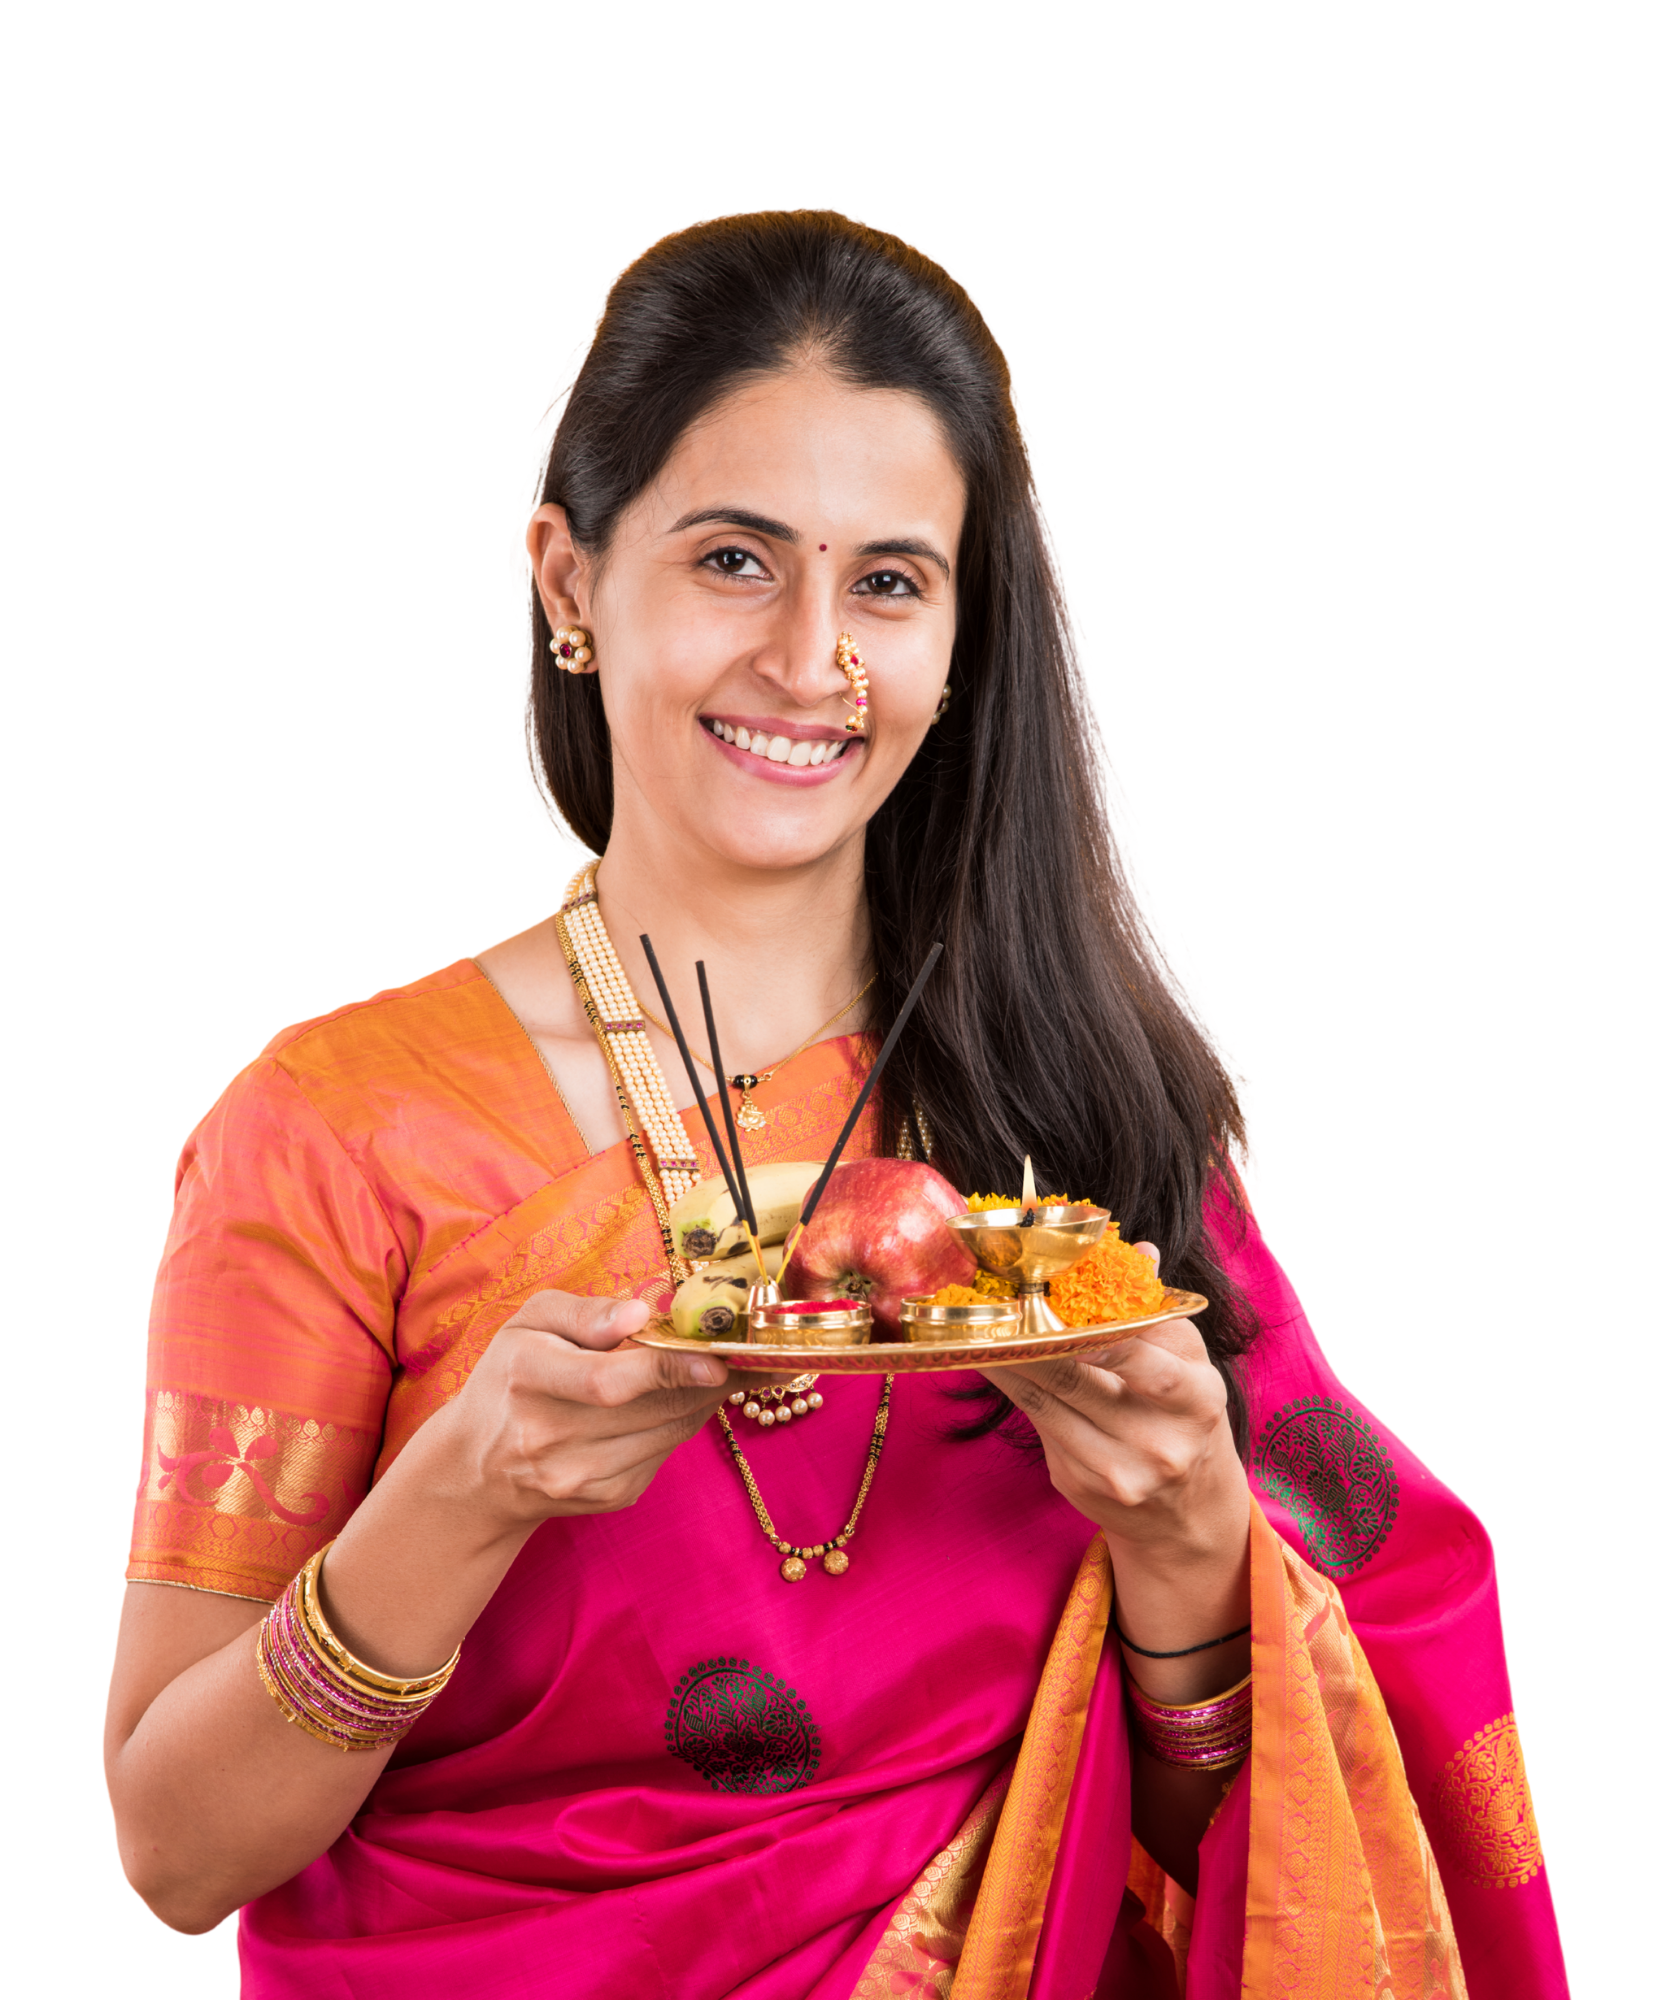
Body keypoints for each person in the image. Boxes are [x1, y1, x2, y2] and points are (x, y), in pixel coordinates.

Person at [103, 209, 1566, 1998]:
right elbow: (175, 1853)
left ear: (960, 637)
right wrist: (463, 1497)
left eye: (888, 581)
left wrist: (1187, 1550)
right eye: (735, 560)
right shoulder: (336, 1129)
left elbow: (1236, 1872)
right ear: (568, 580)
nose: (814, 661)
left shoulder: (1072, 1114)